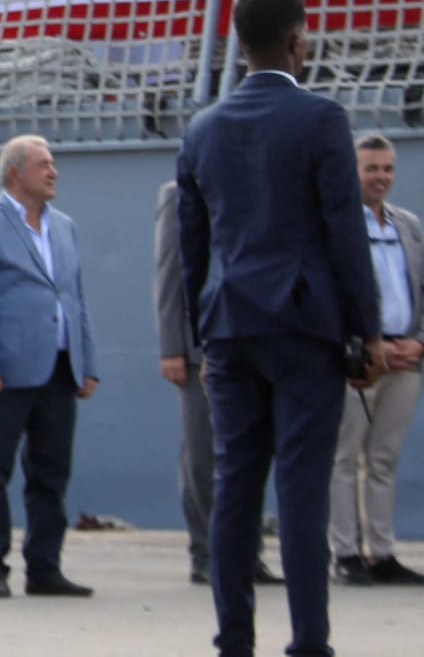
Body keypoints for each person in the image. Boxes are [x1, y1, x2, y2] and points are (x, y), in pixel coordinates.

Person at [175, 0, 386, 657]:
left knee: (235, 487)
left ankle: (234, 640)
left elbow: (191, 247)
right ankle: (308, 644)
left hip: (229, 327)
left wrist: (202, 338)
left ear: (239, 44)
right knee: (301, 489)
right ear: (297, 41)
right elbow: (344, 232)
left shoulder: (202, 128)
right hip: (303, 327)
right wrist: (367, 331)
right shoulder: (321, 118)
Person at [0, 135, 99, 600]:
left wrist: (87, 363)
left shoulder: (64, 226)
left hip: (59, 370)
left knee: (51, 475)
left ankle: (44, 568)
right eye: (44, 164)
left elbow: (75, 299)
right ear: (15, 173)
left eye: (53, 164)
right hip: (2, 374)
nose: (54, 172)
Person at [153, 181, 284, 588]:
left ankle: (245, 554)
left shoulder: (254, 188)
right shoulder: (180, 194)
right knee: (203, 455)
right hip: (199, 348)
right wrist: (172, 347)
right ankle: (207, 554)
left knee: (248, 455)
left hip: (249, 340)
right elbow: (170, 272)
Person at [329, 133, 424, 586]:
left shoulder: (408, 224)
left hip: (406, 359)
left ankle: (382, 553)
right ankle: (346, 552)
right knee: (344, 457)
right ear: (352, 172)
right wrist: (368, 345)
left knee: (384, 458)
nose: (381, 176)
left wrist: (418, 342)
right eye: (371, 168)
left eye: (387, 168)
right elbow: (331, 293)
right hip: (357, 361)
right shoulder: (335, 224)